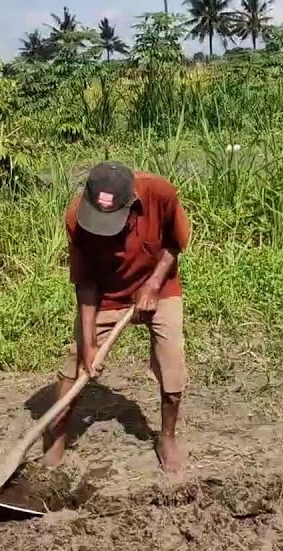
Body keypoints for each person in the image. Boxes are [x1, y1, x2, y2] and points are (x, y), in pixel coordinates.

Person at [46, 161, 191, 474]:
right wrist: (89, 343)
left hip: (159, 284)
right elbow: (85, 282)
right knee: (74, 363)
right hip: (107, 295)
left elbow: (175, 243)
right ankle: (56, 438)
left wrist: (152, 285)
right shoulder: (75, 217)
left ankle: (166, 437)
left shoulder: (159, 193)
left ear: (132, 204)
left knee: (172, 358)